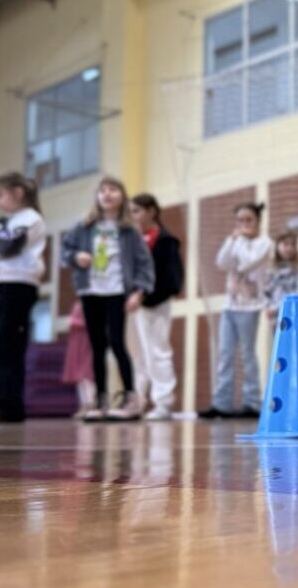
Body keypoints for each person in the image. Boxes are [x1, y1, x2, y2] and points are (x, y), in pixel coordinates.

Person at [63, 176, 155, 422]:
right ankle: (100, 399)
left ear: (122, 196)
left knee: (117, 343)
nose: (107, 194)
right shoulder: (83, 227)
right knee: (96, 346)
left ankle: (130, 398)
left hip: (116, 291)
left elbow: (145, 264)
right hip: (90, 290)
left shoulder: (129, 231)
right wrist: (76, 257)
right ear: (97, 197)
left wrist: (139, 291)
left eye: (113, 189)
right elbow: (66, 251)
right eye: (102, 190)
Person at [0, 173, 47, 423]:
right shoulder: (2, 222)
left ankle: (9, 406)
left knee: (8, 346)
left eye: (0, 194)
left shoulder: (31, 219)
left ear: (17, 193)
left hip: (19, 284)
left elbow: (8, 247)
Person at [198, 202, 272, 419]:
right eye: (239, 221)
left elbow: (245, 264)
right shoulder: (234, 241)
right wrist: (232, 241)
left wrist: (238, 242)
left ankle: (252, 402)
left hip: (250, 306)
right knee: (225, 353)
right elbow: (221, 263)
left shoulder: (263, 243)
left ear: (258, 221)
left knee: (247, 354)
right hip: (230, 305)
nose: (243, 225)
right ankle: (221, 403)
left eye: (248, 220)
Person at [127, 194, 184, 421]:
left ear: (152, 211)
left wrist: (144, 296)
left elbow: (172, 280)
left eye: (137, 211)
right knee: (137, 355)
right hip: (131, 305)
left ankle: (163, 401)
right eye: (131, 212)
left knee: (157, 352)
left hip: (155, 304)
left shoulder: (165, 240)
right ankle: (138, 400)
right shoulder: (131, 240)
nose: (133, 216)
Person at [264, 230, 298, 322]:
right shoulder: (271, 270)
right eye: (285, 244)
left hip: (292, 315)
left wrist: (276, 308)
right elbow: (265, 292)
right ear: (277, 246)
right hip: (274, 318)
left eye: (292, 245)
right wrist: (268, 307)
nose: (289, 248)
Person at [61, 301, 96, 418]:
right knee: (79, 378)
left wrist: (74, 322)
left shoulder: (92, 303)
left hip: (87, 342)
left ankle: (91, 404)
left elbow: (92, 321)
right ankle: (83, 405)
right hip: (76, 343)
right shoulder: (76, 305)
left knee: (86, 376)